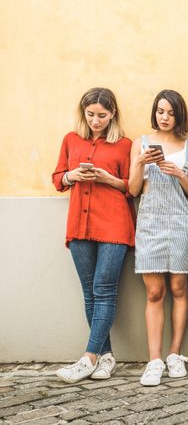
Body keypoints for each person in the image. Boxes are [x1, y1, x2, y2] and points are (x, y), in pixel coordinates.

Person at [51, 88, 134, 383]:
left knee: (104, 289)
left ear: (112, 114)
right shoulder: (70, 140)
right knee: (90, 293)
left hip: (113, 225)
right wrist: (72, 176)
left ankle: (88, 358)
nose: (96, 120)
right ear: (83, 113)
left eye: (102, 115)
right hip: (79, 226)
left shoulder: (125, 145)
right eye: (90, 115)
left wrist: (106, 178)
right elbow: (57, 178)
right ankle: (106, 356)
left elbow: (131, 186)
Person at [128, 90, 188, 386]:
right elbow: (133, 190)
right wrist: (140, 163)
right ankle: (154, 360)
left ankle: (174, 354)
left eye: (170, 112)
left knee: (180, 288)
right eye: (160, 111)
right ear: (154, 113)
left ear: (179, 114)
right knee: (155, 292)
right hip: (150, 222)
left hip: (181, 222)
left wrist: (178, 173)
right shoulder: (140, 143)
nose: (165, 117)